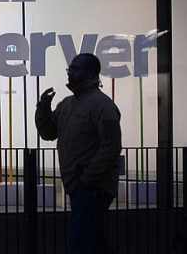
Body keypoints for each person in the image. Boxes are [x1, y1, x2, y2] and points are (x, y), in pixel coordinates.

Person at [35, 53, 122, 254]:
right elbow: (49, 132)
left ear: (91, 74)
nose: (70, 73)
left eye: (75, 69)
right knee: (92, 240)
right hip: (81, 185)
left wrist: (86, 179)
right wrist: (43, 108)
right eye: (70, 69)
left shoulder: (103, 106)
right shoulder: (67, 104)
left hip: (93, 187)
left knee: (80, 242)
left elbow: (111, 147)